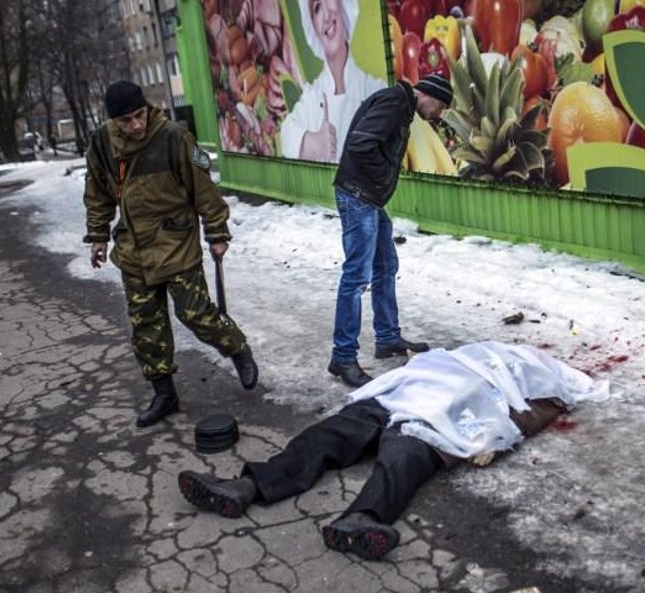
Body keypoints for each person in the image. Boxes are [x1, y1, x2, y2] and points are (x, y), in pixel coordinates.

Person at [178, 341, 610, 561]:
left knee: (392, 454)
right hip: (409, 401)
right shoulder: (477, 360)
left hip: (430, 412)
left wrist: (491, 439)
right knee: (333, 440)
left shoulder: (532, 379)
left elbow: (528, 414)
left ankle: (349, 517)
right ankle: (247, 488)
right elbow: (417, 369)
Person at [83, 80, 259, 428]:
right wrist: (99, 235)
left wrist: (217, 232)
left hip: (176, 244)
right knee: (146, 327)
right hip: (134, 251)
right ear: (113, 121)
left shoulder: (175, 137)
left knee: (196, 315)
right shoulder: (102, 143)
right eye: (125, 121)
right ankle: (164, 395)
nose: (135, 125)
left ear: (147, 108)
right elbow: (97, 190)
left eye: (139, 115)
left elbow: (204, 189)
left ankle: (237, 349)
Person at [327, 73, 455, 387]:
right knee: (357, 275)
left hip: (368, 198)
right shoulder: (394, 103)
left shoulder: (400, 105)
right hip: (359, 197)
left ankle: (387, 338)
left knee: (385, 265)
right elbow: (361, 144)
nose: (438, 114)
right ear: (430, 96)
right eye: (440, 107)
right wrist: (383, 175)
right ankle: (342, 357)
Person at [278, 0, 386, 162]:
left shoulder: (374, 90)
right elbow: (286, 135)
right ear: (312, 27)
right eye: (317, 8)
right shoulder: (312, 100)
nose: (327, 16)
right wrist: (313, 145)